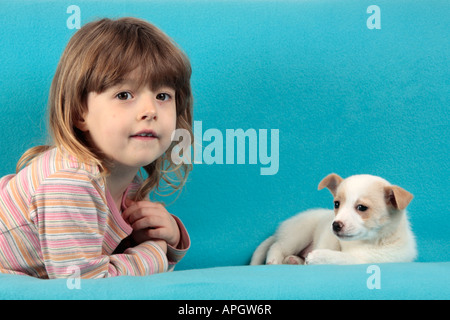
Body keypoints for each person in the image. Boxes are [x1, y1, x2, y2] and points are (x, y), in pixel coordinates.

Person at [0, 17, 193, 278]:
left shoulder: (127, 179)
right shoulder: (70, 184)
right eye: (124, 95)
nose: (150, 111)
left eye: (162, 96)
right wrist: (155, 253)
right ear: (80, 112)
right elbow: (86, 285)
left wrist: (167, 237)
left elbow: (127, 267)